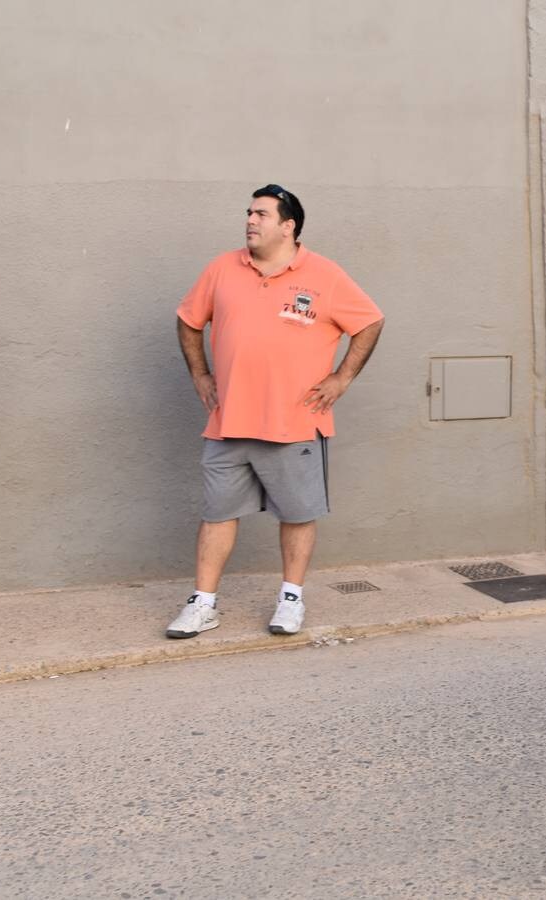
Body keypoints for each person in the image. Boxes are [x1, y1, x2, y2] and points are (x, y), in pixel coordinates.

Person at [168, 185, 385, 638]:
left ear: (288, 226)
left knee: (297, 514)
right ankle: (203, 603)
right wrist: (200, 375)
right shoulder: (222, 269)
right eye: (249, 212)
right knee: (216, 515)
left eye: (262, 214)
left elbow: (369, 322)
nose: (250, 220)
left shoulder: (324, 275)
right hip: (228, 422)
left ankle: (290, 600)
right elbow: (188, 320)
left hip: (295, 422)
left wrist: (341, 379)